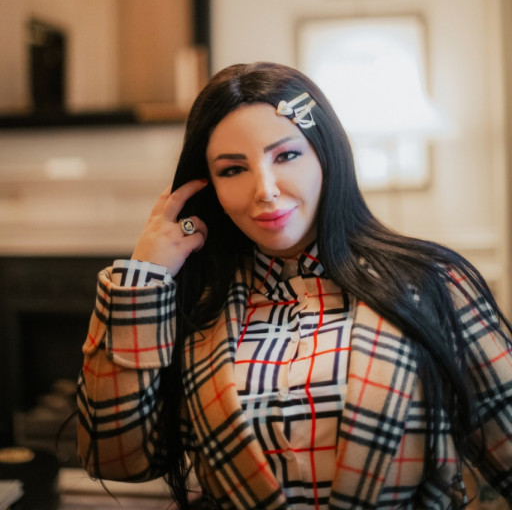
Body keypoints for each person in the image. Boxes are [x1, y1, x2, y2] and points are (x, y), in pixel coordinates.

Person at [77, 61, 512, 510]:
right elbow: (116, 460)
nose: (264, 189)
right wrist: (143, 279)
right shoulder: (198, 304)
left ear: (326, 156)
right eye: (232, 170)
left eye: (286, 156)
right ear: (211, 188)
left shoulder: (434, 285)